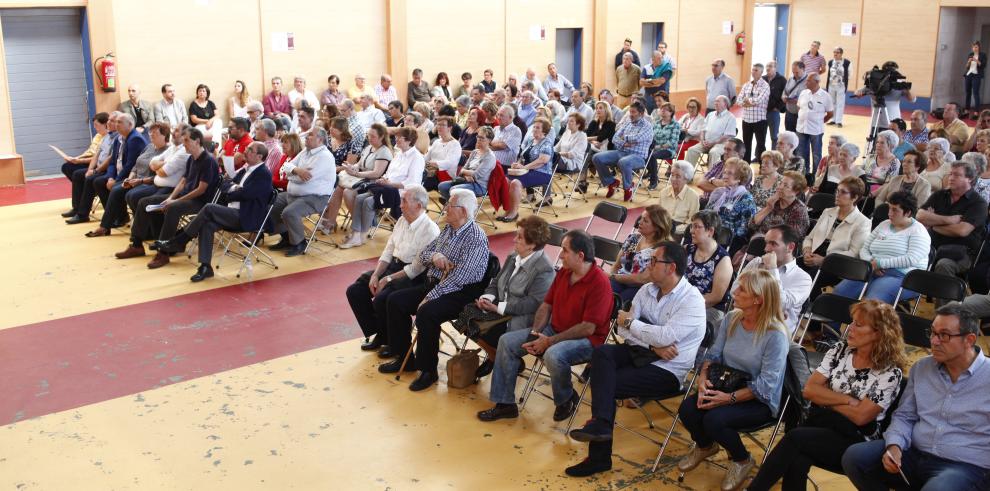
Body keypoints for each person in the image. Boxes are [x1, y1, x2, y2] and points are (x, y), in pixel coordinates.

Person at [565, 242, 707, 478]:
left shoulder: (691, 300)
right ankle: (601, 425)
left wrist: (633, 324)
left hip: (668, 370)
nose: (648, 265)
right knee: (601, 354)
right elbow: (622, 331)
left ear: (671, 267)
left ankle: (599, 455)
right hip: (641, 352)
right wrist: (653, 344)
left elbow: (654, 332)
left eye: (654, 261)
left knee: (607, 383)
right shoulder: (646, 290)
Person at [748, 300, 906, 491]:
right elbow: (809, 390)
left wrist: (826, 399)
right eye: (852, 322)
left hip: (857, 441)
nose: (850, 329)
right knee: (798, 457)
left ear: (878, 333)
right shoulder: (840, 350)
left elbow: (861, 416)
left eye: (858, 325)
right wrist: (847, 400)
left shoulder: (889, 372)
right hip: (825, 425)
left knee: (795, 439)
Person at [843, 303, 990, 491]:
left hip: (965, 466)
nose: (934, 341)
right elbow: (905, 415)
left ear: (969, 340)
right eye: (933, 333)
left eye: (944, 335)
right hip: (914, 453)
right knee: (855, 457)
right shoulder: (922, 367)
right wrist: (894, 446)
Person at [477, 230, 613, 422]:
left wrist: (549, 341)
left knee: (553, 354)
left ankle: (566, 397)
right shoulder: (565, 273)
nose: (560, 255)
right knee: (506, 341)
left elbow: (588, 328)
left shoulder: (600, 283)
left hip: (586, 340)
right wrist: (535, 333)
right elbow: (546, 305)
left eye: (565, 251)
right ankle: (505, 404)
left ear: (580, 255)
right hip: (554, 330)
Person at [676, 268, 790, 491]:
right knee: (688, 410)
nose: (734, 292)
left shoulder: (775, 335)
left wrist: (727, 399)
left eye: (741, 290)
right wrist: (702, 379)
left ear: (758, 299)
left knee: (714, 420)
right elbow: (713, 356)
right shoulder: (732, 318)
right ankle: (706, 445)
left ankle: (742, 460)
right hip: (726, 383)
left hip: (758, 399)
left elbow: (767, 385)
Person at [377, 188, 490, 391]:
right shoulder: (448, 229)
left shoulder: (476, 238)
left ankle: (428, 370)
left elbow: (462, 277)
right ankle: (404, 357)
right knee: (394, 300)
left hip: (460, 292)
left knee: (427, 312)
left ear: (463, 211)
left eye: (449, 204)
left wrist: (431, 296)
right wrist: (436, 256)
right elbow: (424, 254)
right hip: (436, 284)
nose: (445, 207)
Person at [156, 141, 274, 281]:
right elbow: (224, 184)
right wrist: (234, 188)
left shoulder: (263, 174)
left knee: (208, 208)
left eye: (250, 150)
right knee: (207, 225)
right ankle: (205, 267)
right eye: (247, 148)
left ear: (259, 156)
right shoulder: (245, 168)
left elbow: (246, 194)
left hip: (246, 217)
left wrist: (233, 191)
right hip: (231, 212)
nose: (246, 151)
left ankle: (179, 240)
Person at [346, 184, 439, 353]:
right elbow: (388, 250)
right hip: (394, 266)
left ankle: (394, 343)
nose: (400, 205)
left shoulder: (430, 230)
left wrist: (388, 279)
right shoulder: (402, 220)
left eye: (404, 201)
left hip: (414, 276)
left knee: (383, 298)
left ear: (418, 205)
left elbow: (416, 268)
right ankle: (382, 334)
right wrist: (376, 275)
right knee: (356, 290)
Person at [116, 127, 220, 268]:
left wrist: (175, 201)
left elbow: (201, 190)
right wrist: (170, 197)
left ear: (197, 141)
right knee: (144, 203)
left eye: (187, 141)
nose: (184, 144)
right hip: (185, 197)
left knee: (173, 208)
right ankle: (136, 244)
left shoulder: (208, 160)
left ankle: (163, 253)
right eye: (183, 141)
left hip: (200, 202)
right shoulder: (192, 159)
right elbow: (183, 182)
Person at [469, 216, 556, 379]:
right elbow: (496, 281)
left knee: (483, 327)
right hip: (501, 308)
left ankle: (504, 357)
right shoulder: (513, 256)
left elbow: (534, 303)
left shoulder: (544, 269)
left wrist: (499, 307)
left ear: (532, 245)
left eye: (519, 237)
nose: (514, 239)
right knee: (466, 315)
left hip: (521, 319)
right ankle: (495, 356)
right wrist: (487, 297)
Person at [832, 191, 929, 305]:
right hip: (872, 269)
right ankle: (831, 323)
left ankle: (864, 323)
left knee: (872, 303)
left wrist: (880, 263)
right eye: (889, 208)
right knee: (841, 291)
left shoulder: (918, 231)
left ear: (907, 213)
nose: (889, 213)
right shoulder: (884, 224)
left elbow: (911, 259)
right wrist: (871, 264)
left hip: (904, 277)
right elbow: (864, 248)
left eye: (895, 210)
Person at [339, 127, 424, 249]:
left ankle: (362, 235)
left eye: (400, 138)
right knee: (359, 198)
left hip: (401, 192)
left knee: (368, 201)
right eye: (396, 137)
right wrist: (383, 180)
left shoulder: (416, 157)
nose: (396, 139)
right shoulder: (399, 154)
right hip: (386, 187)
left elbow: (413, 183)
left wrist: (390, 184)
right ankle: (356, 233)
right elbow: (388, 173)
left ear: (409, 140)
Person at [268, 128, 336, 257]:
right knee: (271, 204)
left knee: (290, 212)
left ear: (320, 140)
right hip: (293, 195)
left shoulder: (325, 157)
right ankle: (287, 238)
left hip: (315, 197)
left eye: (310, 135)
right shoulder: (306, 151)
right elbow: (286, 167)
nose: (306, 137)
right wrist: (298, 170)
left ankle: (299, 243)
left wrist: (292, 173)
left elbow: (303, 180)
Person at [85, 116, 156, 237]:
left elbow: (130, 164)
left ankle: (105, 226)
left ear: (130, 125)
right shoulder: (119, 138)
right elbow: (112, 161)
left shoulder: (135, 139)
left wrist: (117, 180)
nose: (116, 124)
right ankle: (119, 216)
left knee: (116, 188)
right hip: (121, 174)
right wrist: (111, 177)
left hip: (131, 175)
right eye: (115, 122)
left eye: (119, 122)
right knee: (99, 182)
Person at [735, 225, 813, 334]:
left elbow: (780, 303)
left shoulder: (803, 278)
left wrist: (772, 269)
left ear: (790, 247)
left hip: (774, 334)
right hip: (744, 325)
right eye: (766, 243)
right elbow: (735, 291)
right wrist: (769, 307)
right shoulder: (757, 262)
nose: (766, 249)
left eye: (773, 244)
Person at [918, 160, 988, 278]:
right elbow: (920, 216)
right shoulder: (940, 195)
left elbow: (961, 231)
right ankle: (907, 293)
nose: (951, 178)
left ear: (969, 179)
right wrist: (949, 220)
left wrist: (933, 224)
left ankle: (946, 296)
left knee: (943, 265)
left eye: (957, 175)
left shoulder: (978, 203)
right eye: (950, 174)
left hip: (961, 252)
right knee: (910, 253)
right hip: (932, 246)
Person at [800, 177, 871, 283]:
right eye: (837, 190)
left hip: (836, 266)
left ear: (854, 197)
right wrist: (806, 251)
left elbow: (854, 253)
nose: (837, 194)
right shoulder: (828, 212)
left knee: (804, 280)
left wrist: (824, 261)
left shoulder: (863, 222)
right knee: (787, 269)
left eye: (843, 192)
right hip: (812, 256)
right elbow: (809, 238)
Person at [324, 123, 392, 234]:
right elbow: (359, 165)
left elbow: (376, 173)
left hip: (374, 183)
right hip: (362, 179)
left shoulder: (384, 151)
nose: (369, 138)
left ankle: (360, 223)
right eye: (368, 135)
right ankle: (332, 221)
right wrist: (351, 167)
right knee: (337, 188)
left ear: (382, 137)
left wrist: (356, 174)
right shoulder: (369, 148)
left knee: (348, 192)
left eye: (373, 136)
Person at [592, 101, 654, 202]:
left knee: (624, 162)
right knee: (597, 157)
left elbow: (638, 138)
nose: (630, 114)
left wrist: (624, 138)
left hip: (638, 157)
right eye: (630, 112)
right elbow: (614, 138)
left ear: (641, 114)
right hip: (621, 152)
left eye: (633, 112)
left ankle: (628, 187)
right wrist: (625, 143)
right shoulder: (628, 123)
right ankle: (611, 182)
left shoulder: (647, 126)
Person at [609, 206, 672, 304]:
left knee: (617, 302)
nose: (639, 222)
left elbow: (642, 279)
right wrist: (610, 278)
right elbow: (617, 265)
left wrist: (612, 277)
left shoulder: (661, 249)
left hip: (641, 288)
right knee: (601, 293)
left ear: (657, 226)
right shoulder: (633, 238)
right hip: (619, 279)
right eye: (641, 218)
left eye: (645, 221)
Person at [500, 118, 555, 220]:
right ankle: (507, 210)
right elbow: (523, 157)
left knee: (515, 182)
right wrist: (517, 164)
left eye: (537, 127)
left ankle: (514, 213)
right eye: (534, 127)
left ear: (544, 130)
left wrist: (524, 167)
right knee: (506, 180)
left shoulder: (547, 142)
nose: (534, 129)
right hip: (526, 171)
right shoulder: (531, 140)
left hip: (542, 173)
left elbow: (542, 160)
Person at [685, 210, 733, 321]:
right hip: (683, 302)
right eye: (691, 226)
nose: (691, 231)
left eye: (696, 227)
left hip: (709, 308)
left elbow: (715, 297)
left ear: (710, 231)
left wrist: (686, 305)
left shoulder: (723, 260)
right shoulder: (687, 249)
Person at [61, 112, 110, 217]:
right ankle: (77, 207)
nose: (95, 128)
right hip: (94, 163)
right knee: (68, 168)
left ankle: (83, 208)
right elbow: (93, 153)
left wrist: (93, 169)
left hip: (104, 167)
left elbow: (106, 159)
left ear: (106, 124)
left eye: (97, 125)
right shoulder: (99, 136)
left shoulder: (111, 137)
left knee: (80, 175)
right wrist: (77, 158)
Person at [705, 158, 757, 253]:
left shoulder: (746, 199)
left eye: (729, 173)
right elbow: (706, 214)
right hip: (710, 234)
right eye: (724, 172)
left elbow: (744, 229)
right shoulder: (719, 192)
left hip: (729, 241)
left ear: (740, 178)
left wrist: (719, 231)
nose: (724, 176)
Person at [853, 61, 916, 140]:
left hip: (894, 124)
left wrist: (906, 89)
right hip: (877, 123)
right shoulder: (876, 83)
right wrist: (860, 93)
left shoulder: (899, 84)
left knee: (892, 146)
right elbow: (858, 92)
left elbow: (913, 99)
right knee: (876, 145)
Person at [749, 170, 810, 240]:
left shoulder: (799, 210)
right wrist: (768, 207)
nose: (779, 187)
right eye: (780, 183)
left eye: (785, 186)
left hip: (776, 248)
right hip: (756, 242)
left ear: (796, 191)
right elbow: (752, 225)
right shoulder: (775, 202)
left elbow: (789, 238)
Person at [685, 96, 737, 172]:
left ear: (725, 104)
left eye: (718, 101)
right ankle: (687, 175)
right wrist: (702, 140)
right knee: (692, 150)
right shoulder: (710, 115)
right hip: (705, 143)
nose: (715, 103)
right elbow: (703, 130)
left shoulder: (730, 117)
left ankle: (710, 177)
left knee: (714, 152)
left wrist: (713, 143)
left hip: (721, 144)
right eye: (715, 101)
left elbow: (727, 136)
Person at [796, 73, 834, 173]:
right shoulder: (803, 93)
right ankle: (804, 174)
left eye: (809, 80)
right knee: (802, 154)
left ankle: (816, 176)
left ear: (816, 82)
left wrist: (821, 121)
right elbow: (799, 107)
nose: (806, 82)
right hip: (801, 128)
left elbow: (830, 113)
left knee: (816, 155)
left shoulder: (825, 96)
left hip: (816, 130)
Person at [646, 102, 682, 189]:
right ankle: (653, 173)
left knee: (653, 156)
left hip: (669, 150)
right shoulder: (657, 123)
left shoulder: (675, 125)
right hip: (655, 148)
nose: (663, 111)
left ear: (671, 112)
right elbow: (651, 137)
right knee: (643, 153)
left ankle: (653, 180)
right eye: (662, 109)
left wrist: (659, 146)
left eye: (665, 110)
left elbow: (673, 141)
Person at [659, 161, 700, 236]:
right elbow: (658, 215)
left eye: (678, 176)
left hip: (679, 232)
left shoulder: (693, 196)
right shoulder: (663, 192)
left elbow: (692, 222)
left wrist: (673, 229)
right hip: (661, 228)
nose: (673, 179)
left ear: (686, 179)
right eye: (672, 175)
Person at [740, 63, 771, 163]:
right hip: (746, 119)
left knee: (760, 144)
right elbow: (738, 100)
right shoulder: (746, 85)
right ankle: (745, 165)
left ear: (761, 72)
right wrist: (748, 103)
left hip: (759, 120)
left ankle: (763, 166)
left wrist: (748, 101)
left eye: (756, 70)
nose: (753, 72)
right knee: (746, 144)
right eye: (753, 70)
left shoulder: (765, 86)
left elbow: (759, 100)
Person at [422, 117, 462, 191]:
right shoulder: (437, 142)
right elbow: (426, 157)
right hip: (432, 172)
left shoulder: (455, 145)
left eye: (442, 125)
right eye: (438, 125)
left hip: (444, 175)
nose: (439, 127)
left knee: (420, 184)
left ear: (449, 128)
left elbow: (449, 163)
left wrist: (431, 163)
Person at [764, 61, 787, 150]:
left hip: (773, 112)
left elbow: (785, 95)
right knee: (760, 135)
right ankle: (758, 155)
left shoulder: (782, 80)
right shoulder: (763, 79)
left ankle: (774, 154)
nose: (768, 68)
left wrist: (778, 107)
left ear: (775, 68)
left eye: (770, 66)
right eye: (767, 66)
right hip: (761, 112)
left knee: (774, 136)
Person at [826, 47, 851, 128]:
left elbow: (850, 73)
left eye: (837, 52)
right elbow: (829, 73)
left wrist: (842, 81)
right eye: (834, 52)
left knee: (840, 103)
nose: (835, 54)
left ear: (841, 54)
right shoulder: (830, 62)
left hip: (841, 85)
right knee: (832, 102)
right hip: (831, 85)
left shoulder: (847, 62)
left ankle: (839, 121)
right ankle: (833, 119)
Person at [783, 61, 808, 133]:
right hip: (789, 112)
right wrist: (784, 97)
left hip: (801, 115)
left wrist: (798, 101)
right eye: (793, 72)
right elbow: (785, 91)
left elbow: (810, 99)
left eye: (797, 72)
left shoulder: (809, 81)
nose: (795, 74)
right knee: (789, 136)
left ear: (803, 69)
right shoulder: (791, 79)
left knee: (800, 138)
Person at [964, 41, 987, 117]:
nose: (974, 48)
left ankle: (976, 112)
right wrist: (968, 61)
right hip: (969, 75)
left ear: (979, 47)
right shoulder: (970, 54)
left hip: (977, 76)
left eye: (976, 47)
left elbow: (983, 65)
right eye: (973, 47)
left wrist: (976, 60)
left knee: (975, 93)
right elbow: (967, 67)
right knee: (968, 92)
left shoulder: (983, 55)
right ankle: (967, 110)